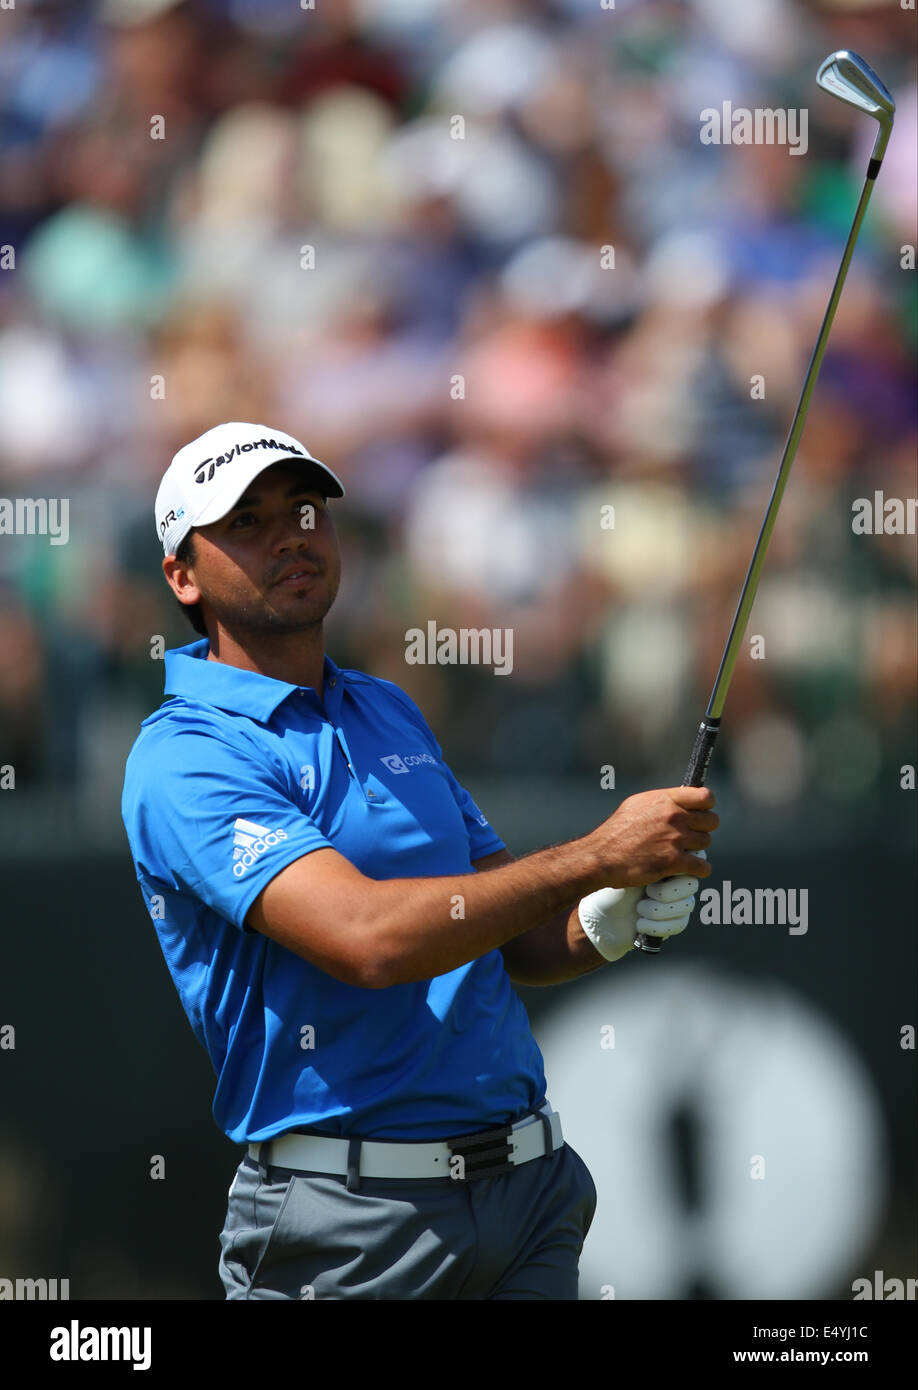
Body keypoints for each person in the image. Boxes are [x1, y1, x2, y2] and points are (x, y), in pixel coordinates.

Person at [121, 420, 717, 1301]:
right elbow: (370, 942)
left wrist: (608, 918)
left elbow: (509, 935)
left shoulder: (387, 708)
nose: (291, 534)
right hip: (352, 1228)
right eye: (245, 523)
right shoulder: (185, 755)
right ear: (182, 574)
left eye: (306, 509)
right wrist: (596, 854)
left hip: (529, 1199)